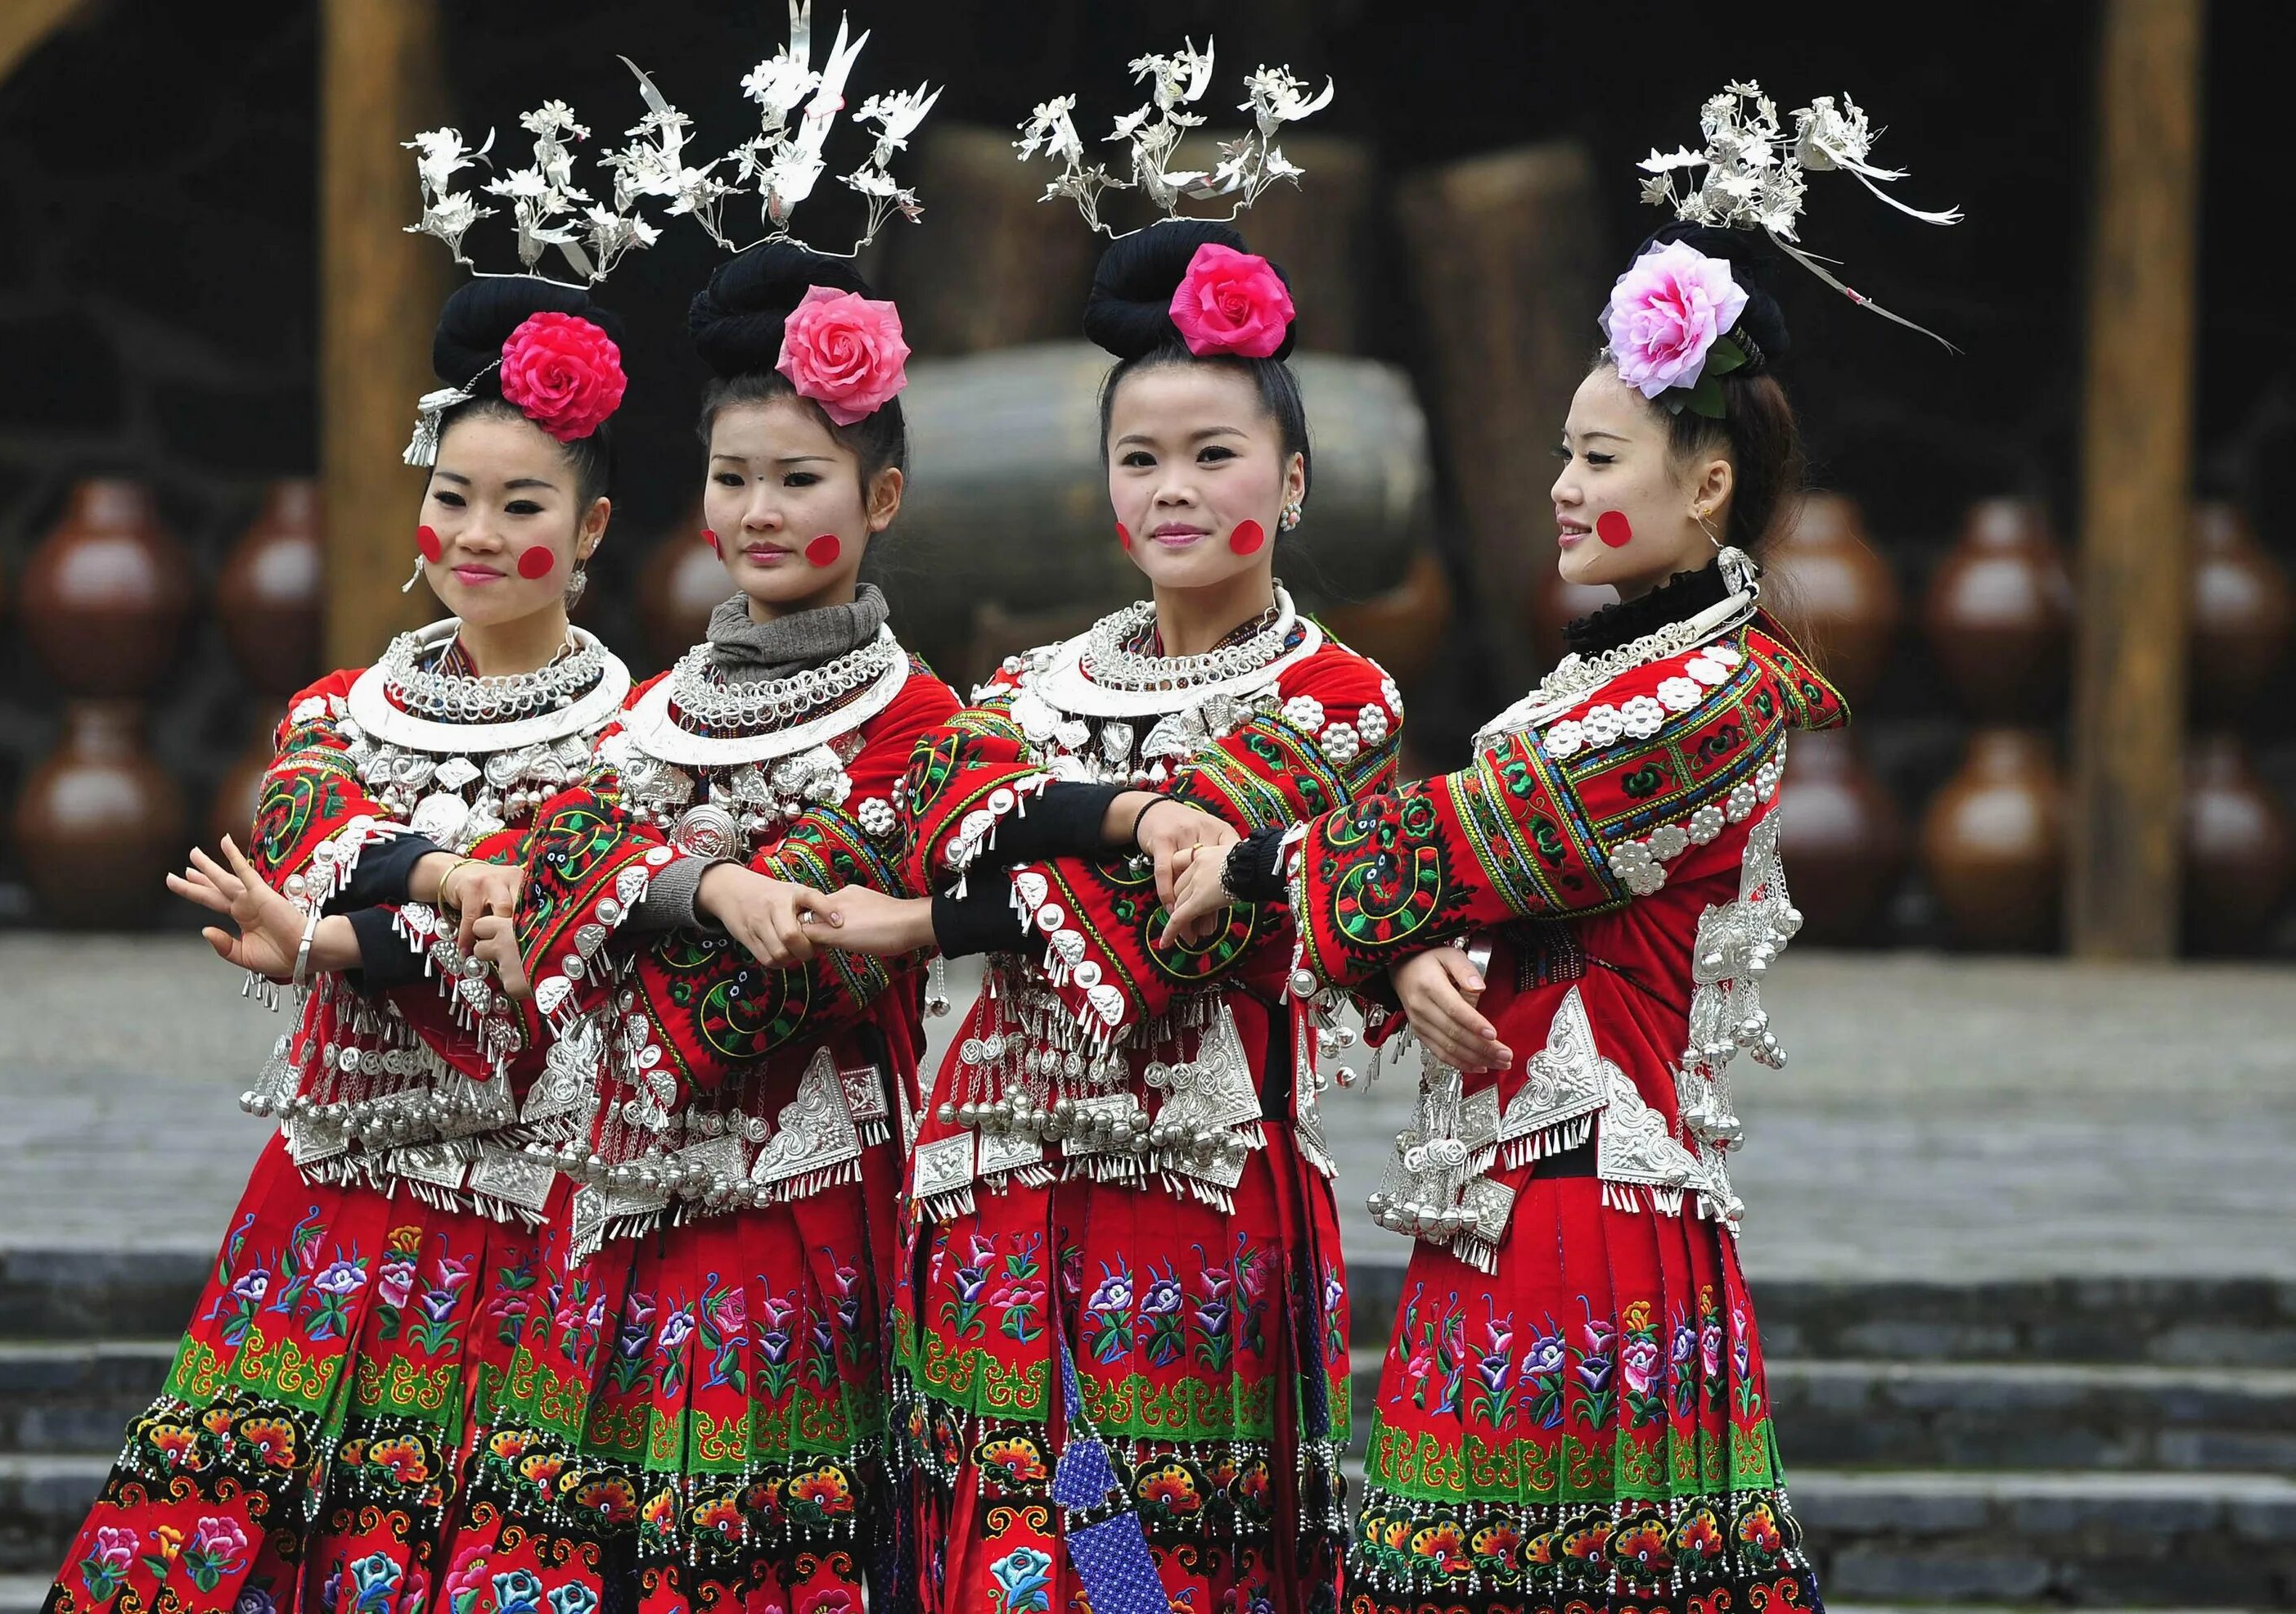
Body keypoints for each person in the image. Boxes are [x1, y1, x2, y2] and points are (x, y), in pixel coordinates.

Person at [1164, 82, 1960, 1614]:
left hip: (1585, 1193)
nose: (1559, 488)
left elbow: (1492, 832)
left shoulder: (1709, 694)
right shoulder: (1607, 673)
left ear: (1706, 485)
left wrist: (1256, 867)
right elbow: (1482, 869)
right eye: (1566, 454)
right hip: (1493, 1173)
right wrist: (1399, 946)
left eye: (1598, 458)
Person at [811, 211, 1393, 1612]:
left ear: (1295, 482)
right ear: (1104, 491)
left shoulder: (1334, 696)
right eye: (1141, 459)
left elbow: (1168, 922)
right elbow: (951, 818)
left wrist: (938, 915)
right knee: (1005, 1553)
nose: (1175, 489)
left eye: (1216, 456)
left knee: (1155, 1565)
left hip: (1191, 1190)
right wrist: (1116, 821)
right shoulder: (1019, 688)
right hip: (994, 1178)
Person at [46, 270, 637, 1613]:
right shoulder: (337, 708)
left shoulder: (637, 735)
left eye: (522, 506)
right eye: (453, 498)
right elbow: (311, 824)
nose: (475, 534)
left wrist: (342, 941)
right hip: (332, 1194)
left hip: (531, 1205)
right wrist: (443, 881)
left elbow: (569, 906)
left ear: (592, 526)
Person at [445, 238, 958, 1613]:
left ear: (883, 495)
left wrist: (616, 922)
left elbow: (812, 934)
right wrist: (703, 890)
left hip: (802, 1188)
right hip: (612, 1194)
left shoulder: (923, 722)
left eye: (800, 479)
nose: (759, 511)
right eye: (734, 478)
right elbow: (551, 844)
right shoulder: (650, 707)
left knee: (764, 1545)